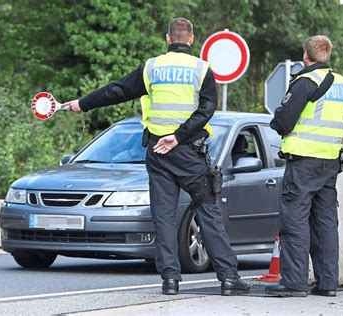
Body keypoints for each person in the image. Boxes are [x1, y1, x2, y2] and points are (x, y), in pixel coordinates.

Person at [63, 17, 250, 296]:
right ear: (191, 39)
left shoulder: (152, 67)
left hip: (158, 153)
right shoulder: (202, 69)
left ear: (167, 39)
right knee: (208, 212)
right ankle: (228, 279)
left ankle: (170, 280)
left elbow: (118, 90)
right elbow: (206, 110)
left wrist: (83, 103)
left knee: (164, 217)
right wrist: (180, 135)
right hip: (189, 153)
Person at [266, 35, 343, 297]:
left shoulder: (306, 81)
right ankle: (328, 283)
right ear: (328, 54)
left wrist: (277, 121)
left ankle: (293, 282)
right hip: (330, 163)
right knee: (325, 223)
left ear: (306, 55)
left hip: (304, 162)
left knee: (294, 221)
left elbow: (284, 121)